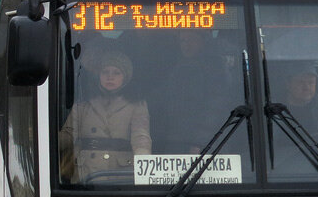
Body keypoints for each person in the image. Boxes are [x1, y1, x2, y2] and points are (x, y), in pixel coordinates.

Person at [59, 51, 152, 181]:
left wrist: (144, 162)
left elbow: (140, 136)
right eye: (105, 72)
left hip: (121, 172)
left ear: (125, 77)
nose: (110, 77)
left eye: (116, 73)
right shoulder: (83, 103)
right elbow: (68, 134)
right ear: (99, 76)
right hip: (87, 172)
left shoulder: (136, 105)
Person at [153, 30, 232, 153]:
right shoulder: (175, 67)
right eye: (183, 41)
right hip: (175, 139)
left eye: (191, 40)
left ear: (203, 41)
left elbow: (215, 109)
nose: (186, 45)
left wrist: (199, 142)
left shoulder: (215, 68)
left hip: (207, 143)